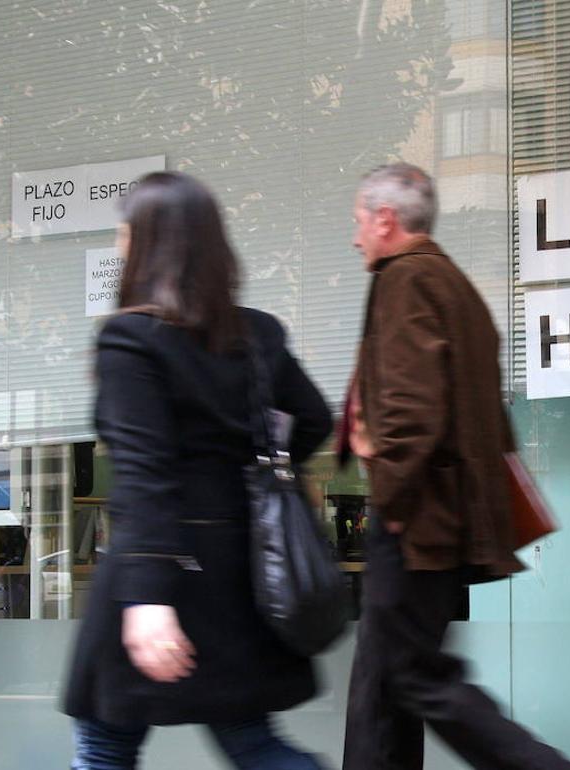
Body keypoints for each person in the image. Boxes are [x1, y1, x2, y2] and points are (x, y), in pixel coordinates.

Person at [62, 172, 333, 769]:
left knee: (104, 746)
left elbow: (144, 474)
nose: (118, 245)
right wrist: (254, 474)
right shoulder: (256, 334)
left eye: (125, 232)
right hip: (239, 573)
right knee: (251, 740)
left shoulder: (132, 339)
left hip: (160, 568)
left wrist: (147, 599)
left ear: (147, 242)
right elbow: (312, 419)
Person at [340, 163, 570, 770]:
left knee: (415, 676)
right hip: (439, 516)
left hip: (416, 517)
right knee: (385, 683)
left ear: (385, 220)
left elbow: (412, 409)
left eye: (359, 221)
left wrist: (391, 500)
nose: (355, 236)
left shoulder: (406, 280)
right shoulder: (453, 285)